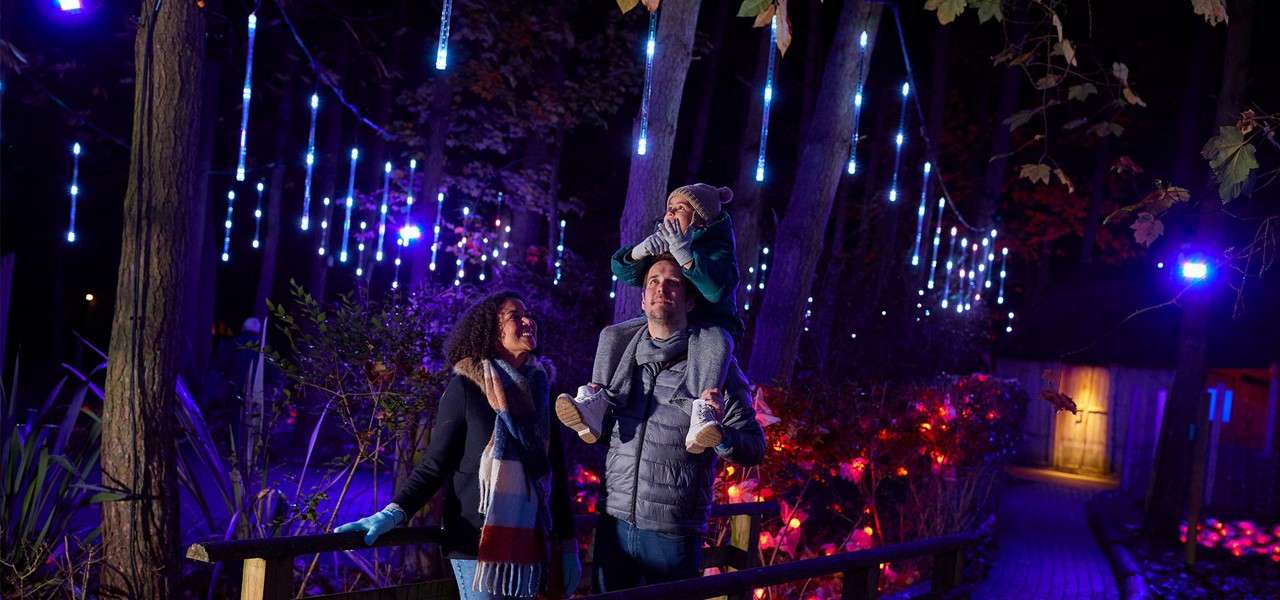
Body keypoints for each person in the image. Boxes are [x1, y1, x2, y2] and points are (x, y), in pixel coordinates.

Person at [335, 292, 580, 599]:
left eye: (527, 314)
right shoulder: (466, 386)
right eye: (515, 316)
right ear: (492, 331)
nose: (527, 321)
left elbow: (554, 469)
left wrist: (569, 542)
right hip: (475, 543)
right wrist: (393, 513)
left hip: (529, 542)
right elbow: (435, 464)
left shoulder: (542, 389)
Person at [587, 255, 765, 591]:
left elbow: (754, 448)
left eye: (673, 282)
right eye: (653, 281)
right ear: (642, 298)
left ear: (690, 299)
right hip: (613, 525)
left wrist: (719, 434)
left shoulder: (714, 366)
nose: (661, 289)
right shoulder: (618, 362)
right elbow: (604, 439)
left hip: (673, 535)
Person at [557, 183, 745, 453]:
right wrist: (639, 252)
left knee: (718, 341)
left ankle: (702, 413)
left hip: (706, 324)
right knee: (612, 334)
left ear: (701, 217)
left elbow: (716, 290)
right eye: (670, 208)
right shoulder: (665, 239)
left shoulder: (718, 247)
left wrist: (686, 255)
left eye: (681, 209)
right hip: (667, 319)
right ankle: (595, 403)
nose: (671, 213)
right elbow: (623, 271)